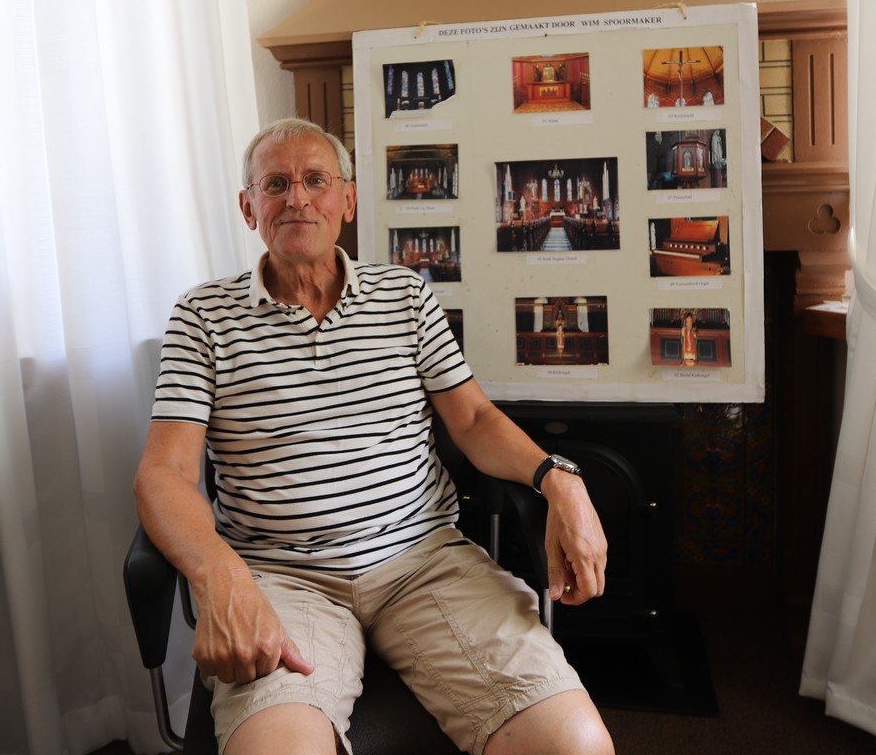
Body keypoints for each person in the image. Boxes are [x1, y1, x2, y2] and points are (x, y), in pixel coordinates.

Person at [134, 118, 614, 755]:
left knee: (574, 746)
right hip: (281, 576)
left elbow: (473, 420)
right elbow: (164, 473)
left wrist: (561, 480)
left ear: (348, 200)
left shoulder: (405, 295)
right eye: (275, 184)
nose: (297, 198)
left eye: (316, 180)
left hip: (425, 563)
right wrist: (219, 574)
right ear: (249, 208)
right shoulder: (202, 316)